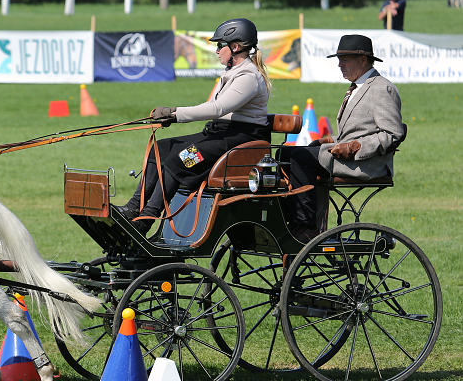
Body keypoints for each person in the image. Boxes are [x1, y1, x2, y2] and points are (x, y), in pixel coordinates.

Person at [115, 18, 272, 235]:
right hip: (223, 134)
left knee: (181, 157)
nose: (216, 50)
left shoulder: (248, 76)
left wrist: (175, 114)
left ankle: (145, 221)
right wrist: (172, 116)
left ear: (235, 47)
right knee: (161, 148)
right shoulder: (231, 72)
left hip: (241, 139)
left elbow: (218, 109)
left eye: (220, 45)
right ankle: (133, 208)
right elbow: (214, 108)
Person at [279, 34, 404, 242]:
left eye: (344, 59)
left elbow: (392, 134)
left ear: (363, 60)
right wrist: (330, 140)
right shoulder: (358, 87)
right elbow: (356, 130)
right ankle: (291, 218)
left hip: (366, 163)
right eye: (339, 59)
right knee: (284, 153)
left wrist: (356, 147)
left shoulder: (382, 88)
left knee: (300, 157)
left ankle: (307, 225)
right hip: (346, 157)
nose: (339, 65)